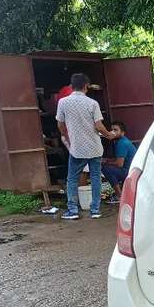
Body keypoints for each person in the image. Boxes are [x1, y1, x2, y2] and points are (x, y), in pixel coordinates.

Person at [55, 73, 117, 220]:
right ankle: (95, 210)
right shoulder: (92, 103)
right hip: (95, 147)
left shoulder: (63, 102)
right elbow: (99, 126)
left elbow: (60, 124)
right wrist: (109, 135)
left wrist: (67, 136)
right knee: (95, 177)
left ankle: (72, 210)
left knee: (72, 179)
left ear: (72, 86)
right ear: (86, 86)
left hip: (77, 148)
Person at [102, 121, 137, 202]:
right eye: (112, 130)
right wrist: (107, 160)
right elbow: (119, 159)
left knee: (105, 169)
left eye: (115, 130)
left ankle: (119, 196)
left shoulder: (122, 143)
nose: (112, 132)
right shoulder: (122, 141)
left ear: (122, 133)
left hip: (129, 173)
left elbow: (119, 164)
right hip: (130, 170)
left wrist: (105, 162)